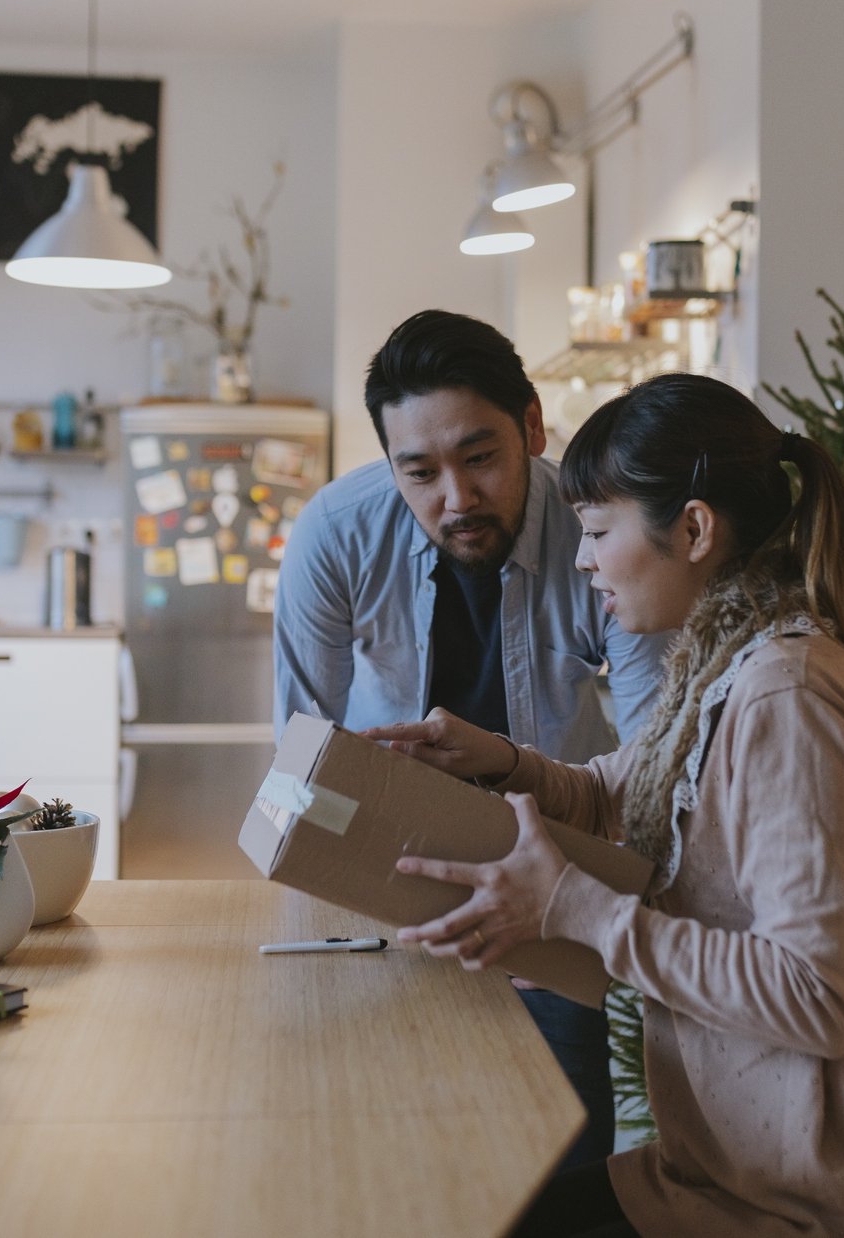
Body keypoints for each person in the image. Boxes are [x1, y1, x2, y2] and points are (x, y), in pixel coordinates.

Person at [369, 372, 844, 1238]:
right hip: (719, 1169)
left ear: (695, 528)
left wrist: (577, 909)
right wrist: (501, 760)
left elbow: (817, 997)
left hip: (795, 1204)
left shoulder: (784, 697)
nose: (584, 558)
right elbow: (610, 792)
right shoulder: (725, 661)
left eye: (598, 530)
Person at [274, 309, 672, 1169]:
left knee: (559, 1169)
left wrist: (575, 920)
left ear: (532, 425)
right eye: (418, 471)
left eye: (480, 457)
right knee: (374, 1160)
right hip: (384, 898)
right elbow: (301, 759)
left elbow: (654, 767)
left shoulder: (605, 541)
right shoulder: (335, 536)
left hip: (554, 892)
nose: (454, 498)